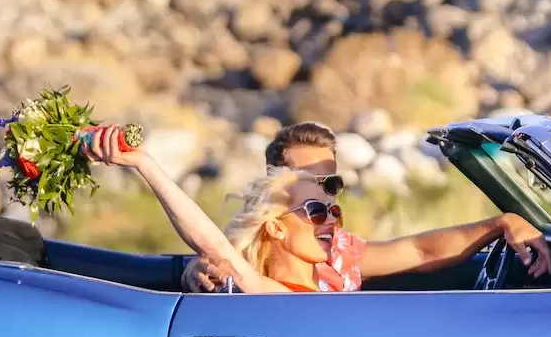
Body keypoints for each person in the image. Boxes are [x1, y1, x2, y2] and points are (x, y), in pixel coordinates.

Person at [181, 121, 551, 293]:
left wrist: (503, 223)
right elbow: (218, 257)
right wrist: (199, 272)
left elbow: (420, 250)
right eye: (304, 179)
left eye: (330, 182)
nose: (323, 193)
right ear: (271, 185)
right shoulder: (239, 264)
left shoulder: (341, 253)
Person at [82, 124, 354, 293]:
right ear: (276, 227)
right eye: (316, 210)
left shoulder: (336, 275)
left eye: (334, 212)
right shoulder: (276, 296)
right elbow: (214, 246)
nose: (330, 220)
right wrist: (145, 164)